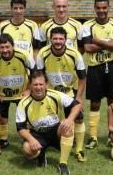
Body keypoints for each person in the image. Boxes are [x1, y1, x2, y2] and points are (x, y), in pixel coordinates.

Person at [78, 0, 113, 149]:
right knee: (95, 103)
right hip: (94, 68)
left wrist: (98, 41)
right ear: (94, 8)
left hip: (112, 66)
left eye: (104, 8)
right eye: (98, 8)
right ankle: (93, 137)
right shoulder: (87, 25)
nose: (101, 11)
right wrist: (109, 43)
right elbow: (87, 48)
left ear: (108, 8)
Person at [16, 71, 83, 175]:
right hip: (37, 134)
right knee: (27, 150)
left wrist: (69, 119)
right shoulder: (23, 103)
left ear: (46, 85)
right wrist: (31, 140)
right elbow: (20, 128)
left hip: (56, 131)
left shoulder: (55, 95)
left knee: (67, 127)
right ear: (30, 86)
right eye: (35, 84)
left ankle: (63, 164)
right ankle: (40, 155)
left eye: (41, 84)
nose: (38, 87)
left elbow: (77, 105)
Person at [35, 27, 88, 162]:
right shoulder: (43, 53)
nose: (58, 41)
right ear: (50, 39)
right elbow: (40, 75)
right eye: (55, 38)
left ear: (65, 40)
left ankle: (79, 150)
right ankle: (44, 144)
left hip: (69, 92)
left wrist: (79, 98)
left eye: (61, 39)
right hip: (50, 93)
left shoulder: (75, 54)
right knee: (46, 121)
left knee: (79, 117)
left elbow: (83, 78)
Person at [0, 33, 35, 158]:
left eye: (7, 47)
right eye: (1, 47)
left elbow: (35, 72)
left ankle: (28, 141)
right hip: (2, 94)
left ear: (13, 46)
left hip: (21, 94)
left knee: (28, 119)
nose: (5, 50)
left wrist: (29, 90)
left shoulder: (23, 55)